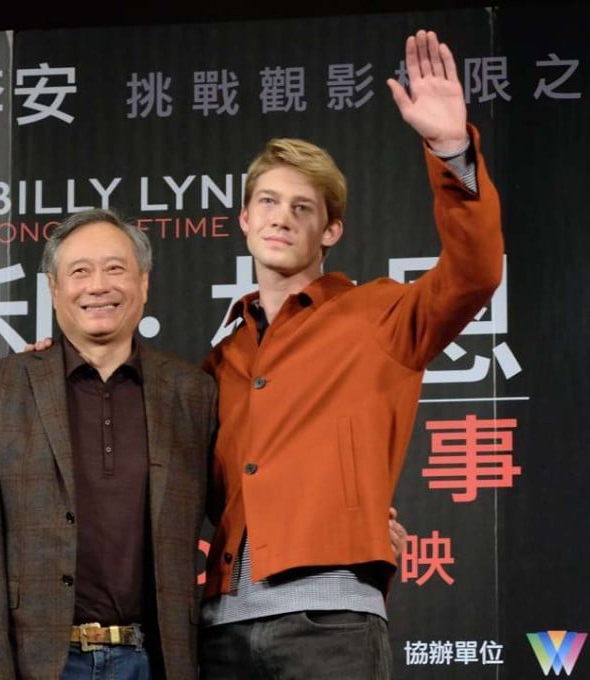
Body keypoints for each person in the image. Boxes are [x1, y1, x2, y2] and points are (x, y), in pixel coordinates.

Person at [198, 29, 504, 679]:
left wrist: (451, 149)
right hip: (219, 629)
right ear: (244, 219)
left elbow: (475, 272)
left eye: (302, 207)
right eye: (268, 202)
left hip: (330, 623)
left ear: (330, 230)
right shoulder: (221, 357)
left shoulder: (380, 315)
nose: (282, 217)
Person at [0, 208, 218, 679]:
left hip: (154, 661)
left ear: (143, 283)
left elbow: (237, 509)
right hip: (38, 664)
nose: (98, 286)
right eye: (80, 271)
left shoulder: (193, 392)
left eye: (115, 268)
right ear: (54, 289)